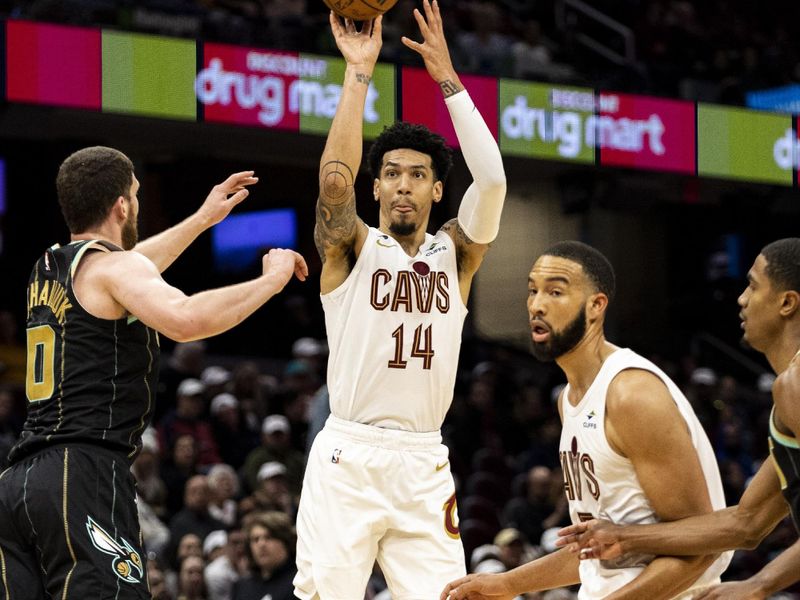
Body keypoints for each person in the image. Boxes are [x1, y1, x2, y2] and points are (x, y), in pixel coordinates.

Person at [0, 145, 307, 598]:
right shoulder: (111, 271)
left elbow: (134, 266)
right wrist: (270, 281)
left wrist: (203, 219)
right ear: (122, 204)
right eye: (137, 194)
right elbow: (185, 318)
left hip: (19, 483)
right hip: (82, 472)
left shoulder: (50, 267)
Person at [294, 0, 507, 597]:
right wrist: (358, 72)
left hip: (423, 462)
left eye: (417, 174)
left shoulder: (457, 255)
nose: (403, 184)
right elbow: (335, 183)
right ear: (378, 184)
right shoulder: (351, 248)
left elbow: (492, 180)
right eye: (391, 173)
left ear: (438, 190)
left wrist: (447, 78)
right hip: (349, 455)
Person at [442, 241, 731, 600]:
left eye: (555, 292)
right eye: (532, 290)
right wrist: (507, 583)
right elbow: (598, 553)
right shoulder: (569, 400)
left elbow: (702, 545)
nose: (537, 304)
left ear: (596, 306)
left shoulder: (631, 394)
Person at [557, 238, 800, 600]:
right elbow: (746, 523)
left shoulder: (795, 384)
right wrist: (622, 537)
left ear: (787, 302)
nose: (741, 298)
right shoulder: (787, 392)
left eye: (752, 284)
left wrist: (759, 585)